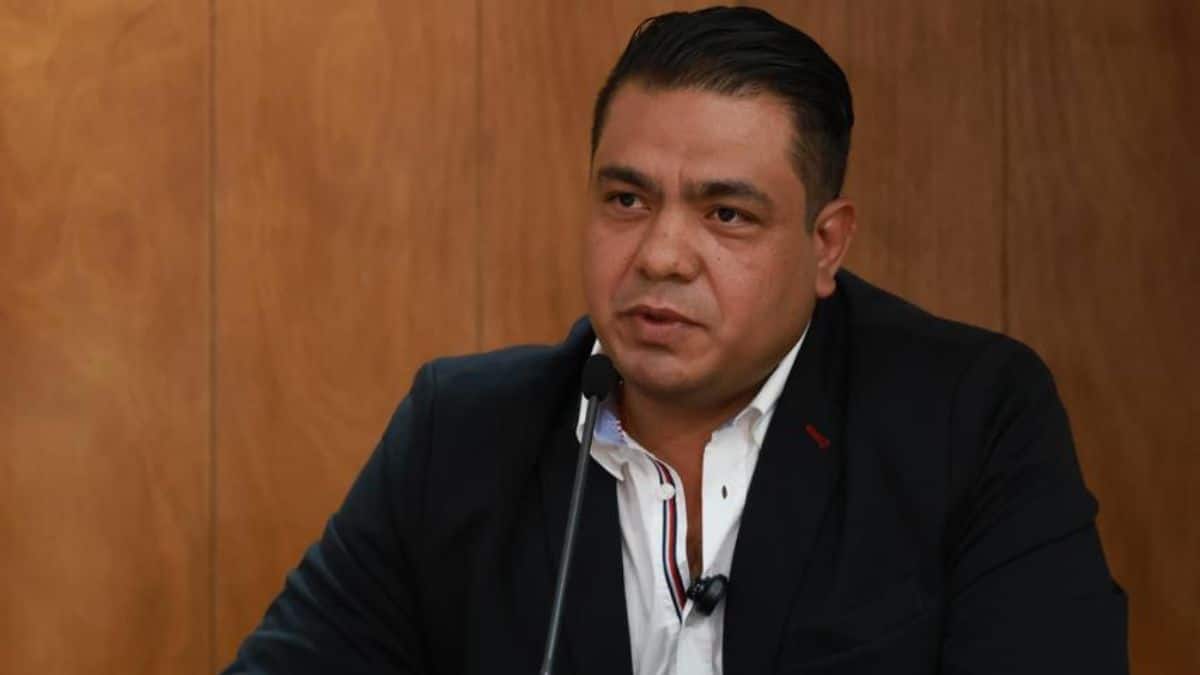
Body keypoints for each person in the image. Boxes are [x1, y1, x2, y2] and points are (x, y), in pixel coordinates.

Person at [223, 6, 1128, 674]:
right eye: (626, 199)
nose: (659, 254)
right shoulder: (461, 436)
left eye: (726, 213)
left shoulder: (968, 421)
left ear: (826, 244)